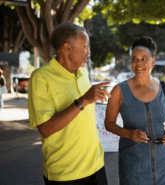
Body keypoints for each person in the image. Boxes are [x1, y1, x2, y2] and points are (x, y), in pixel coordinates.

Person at [28, 22, 110, 185]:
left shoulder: (83, 73)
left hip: (96, 166)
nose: (88, 51)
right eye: (85, 46)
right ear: (67, 48)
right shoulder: (40, 78)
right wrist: (82, 101)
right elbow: (45, 129)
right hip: (65, 174)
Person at [104, 36, 165, 185]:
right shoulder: (119, 90)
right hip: (132, 166)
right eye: (134, 59)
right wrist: (128, 133)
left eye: (144, 59)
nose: (138, 63)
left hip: (163, 165)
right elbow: (109, 123)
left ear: (153, 60)